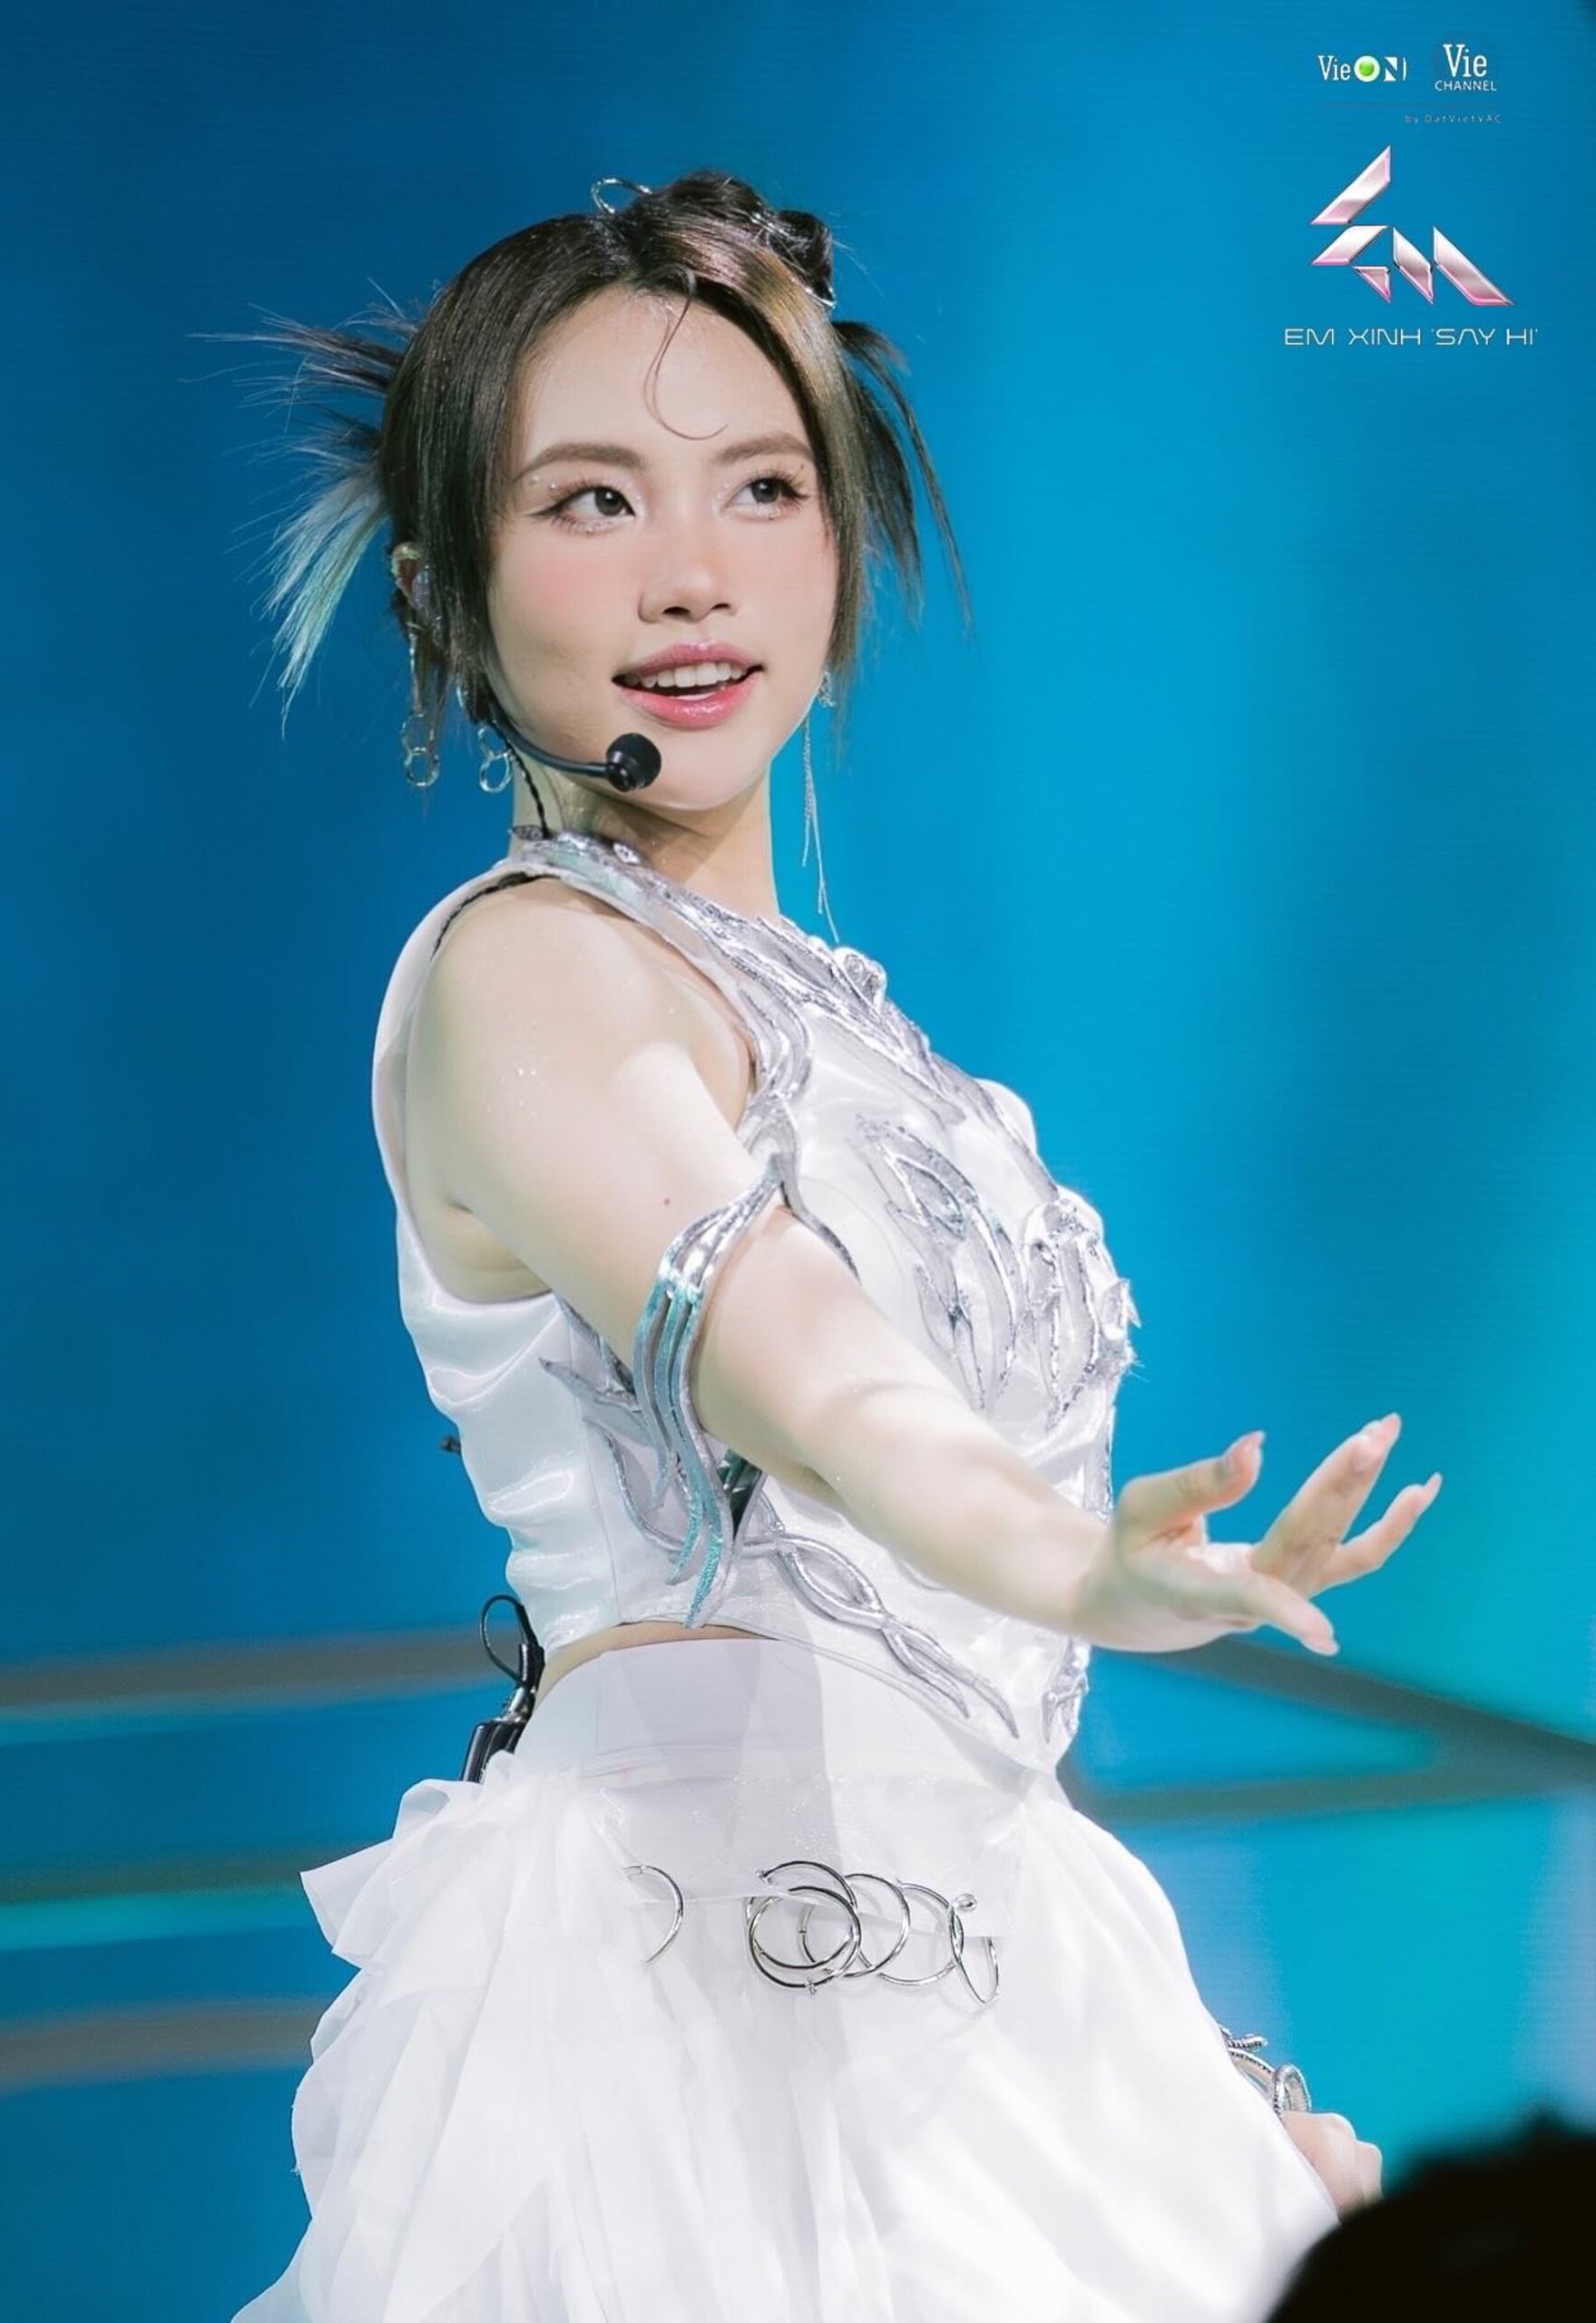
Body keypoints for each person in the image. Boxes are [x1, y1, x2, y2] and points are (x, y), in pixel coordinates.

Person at [221, 170, 1435, 2322]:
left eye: (761, 485)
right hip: (707, 2013)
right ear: (442, 589)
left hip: (977, 1969)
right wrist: (1072, 1560)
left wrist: (1184, 2094)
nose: (692, 569)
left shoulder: (859, 1031)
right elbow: (822, 1376)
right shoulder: (529, 973)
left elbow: (934, 1699)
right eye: (591, 500)